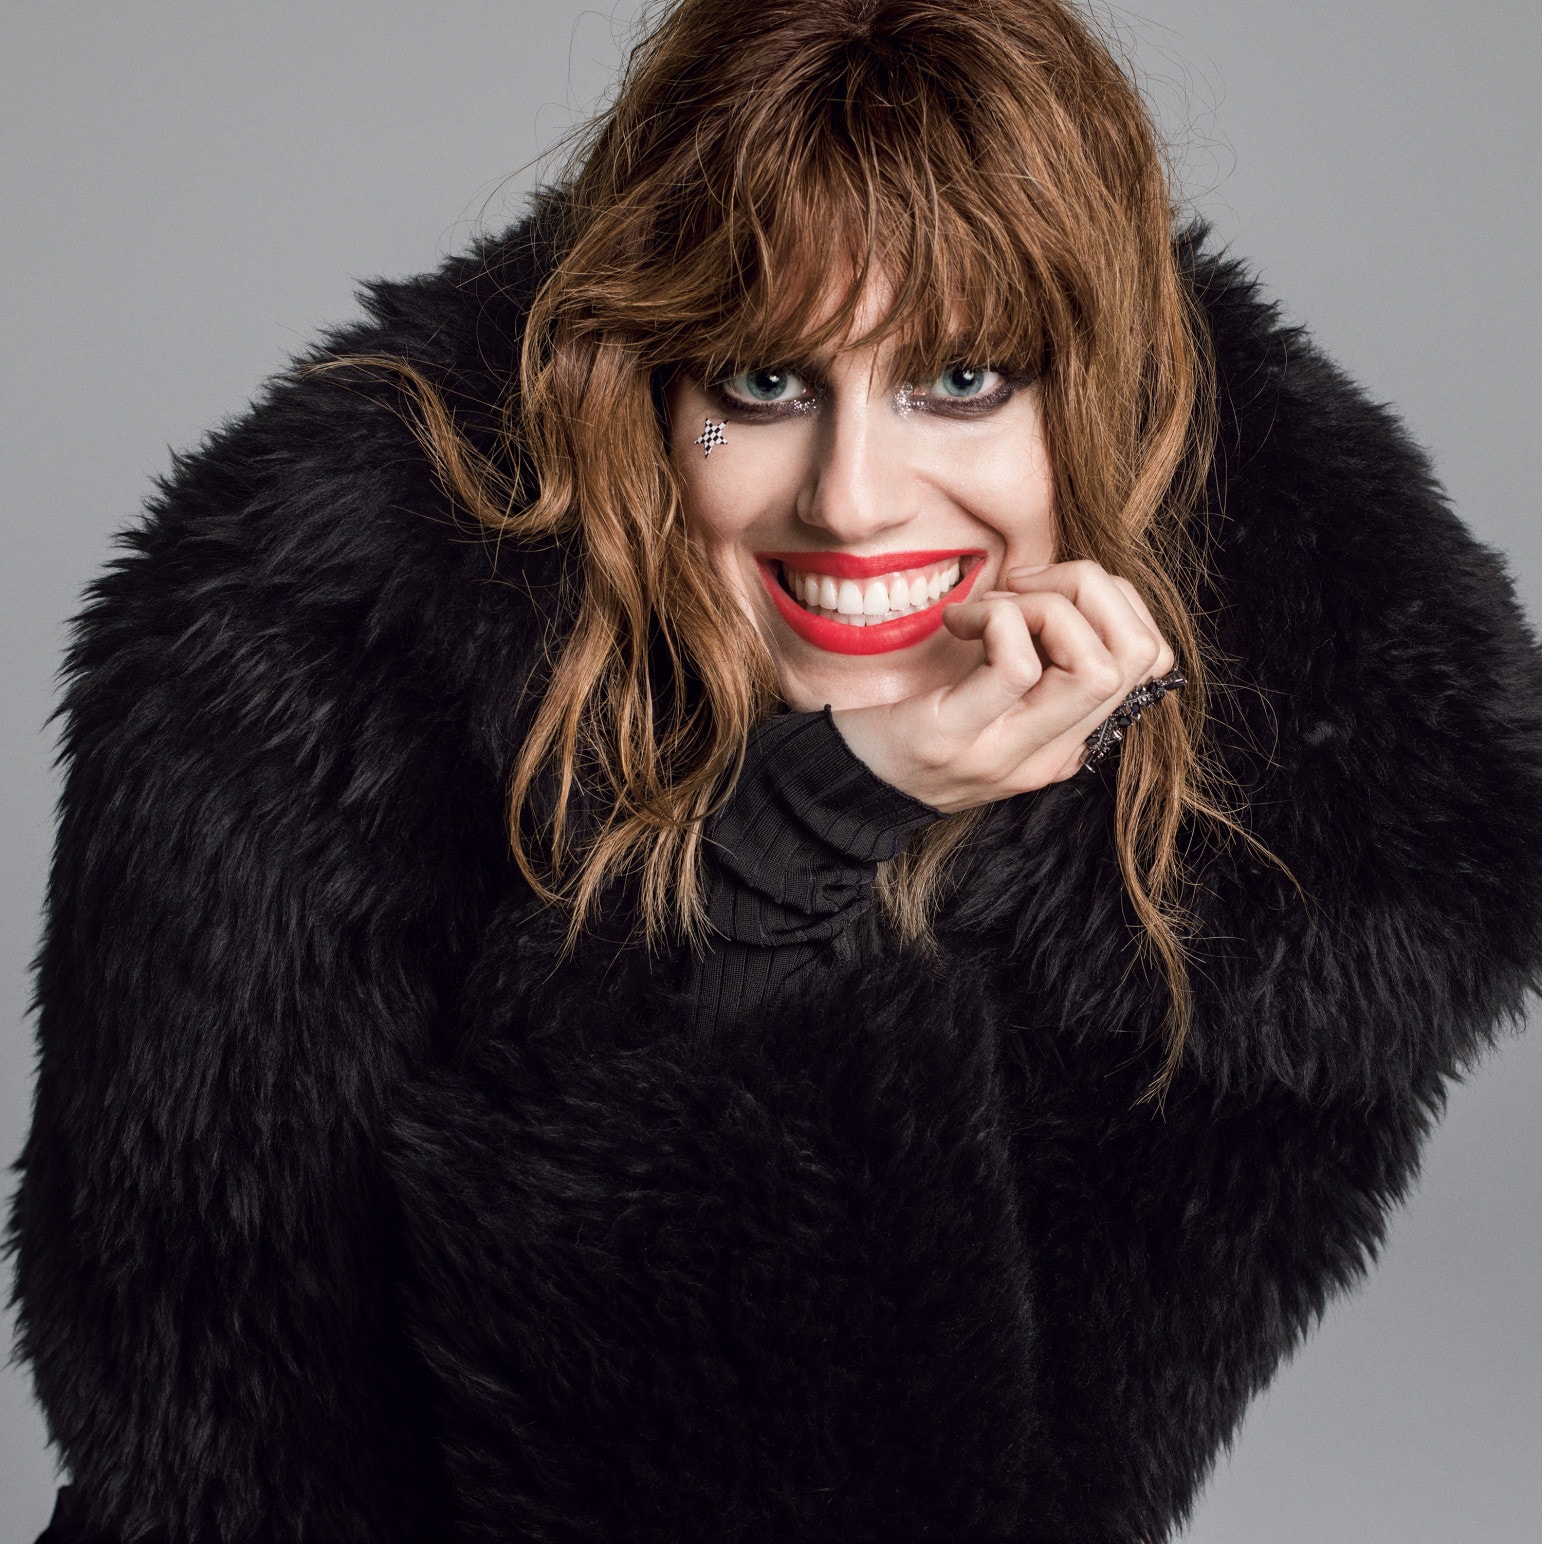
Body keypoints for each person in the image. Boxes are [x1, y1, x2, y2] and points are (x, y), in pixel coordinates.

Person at [13, 0, 1542, 1539]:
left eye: (961, 379)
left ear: (1106, 400)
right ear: (647, 394)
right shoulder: (306, 708)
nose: (853, 500)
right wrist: (782, 858)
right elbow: (237, 1466)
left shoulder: (1283, 850)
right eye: (760, 382)